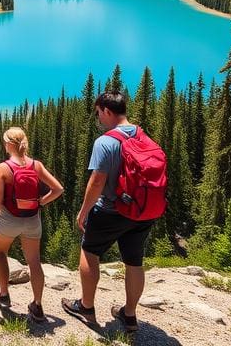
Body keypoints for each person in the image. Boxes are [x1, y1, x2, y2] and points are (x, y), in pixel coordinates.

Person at [62, 90, 156, 333]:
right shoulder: (143, 136)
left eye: (98, 113)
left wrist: (84, 211)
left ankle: (86, 307)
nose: (98, 118)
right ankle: (130, 315)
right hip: (142, 211)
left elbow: (96, 182)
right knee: (134, 262)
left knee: (90, 252)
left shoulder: (105, 142)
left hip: (112, 210)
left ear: (106, 111)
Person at [0, 126, 64, 322]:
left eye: (5, 142)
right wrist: (41, 202)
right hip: (32, 219)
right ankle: (37, 306)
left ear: (10, 144)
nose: (3, 145)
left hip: (8, 218)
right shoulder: (36, 165)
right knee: (34, 262)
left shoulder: (3, 168)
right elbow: (58, 189)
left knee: (0, 252)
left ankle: (3, 295)